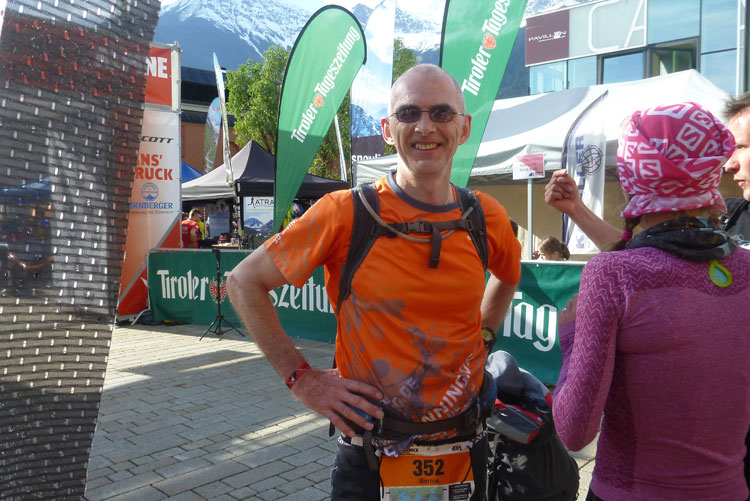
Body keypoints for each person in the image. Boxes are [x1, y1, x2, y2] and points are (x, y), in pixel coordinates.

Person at [227, 64, 521, 500]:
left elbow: (508, 276)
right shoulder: (346, 213)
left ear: (463, 128)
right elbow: (243, 282)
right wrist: (302, 379)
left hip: (464, 450)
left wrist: (485, 335)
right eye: (409, 113)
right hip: (371, 457)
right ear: (387, 129)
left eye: (441, 113)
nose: (425, 127)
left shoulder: (485, 216)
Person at [551, 102, 750, 500]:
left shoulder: (613, 274)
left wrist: (571, 337)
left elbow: (573, 430)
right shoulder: (745, 267)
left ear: (632, 175)